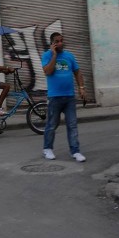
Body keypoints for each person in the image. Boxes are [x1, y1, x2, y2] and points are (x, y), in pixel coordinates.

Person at [41, 32, 86, 162]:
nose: (60, 43)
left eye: (61, 40)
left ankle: (75, 151)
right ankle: (47, 149)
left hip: (69, 97)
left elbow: (77, 72)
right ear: (52, 43)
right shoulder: (46, 55)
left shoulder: (69, 56)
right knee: (51, 125)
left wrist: (81, 88)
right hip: (54, 97)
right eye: (57, 41)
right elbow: (48, 71)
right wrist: (54, 55)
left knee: (72, 125)